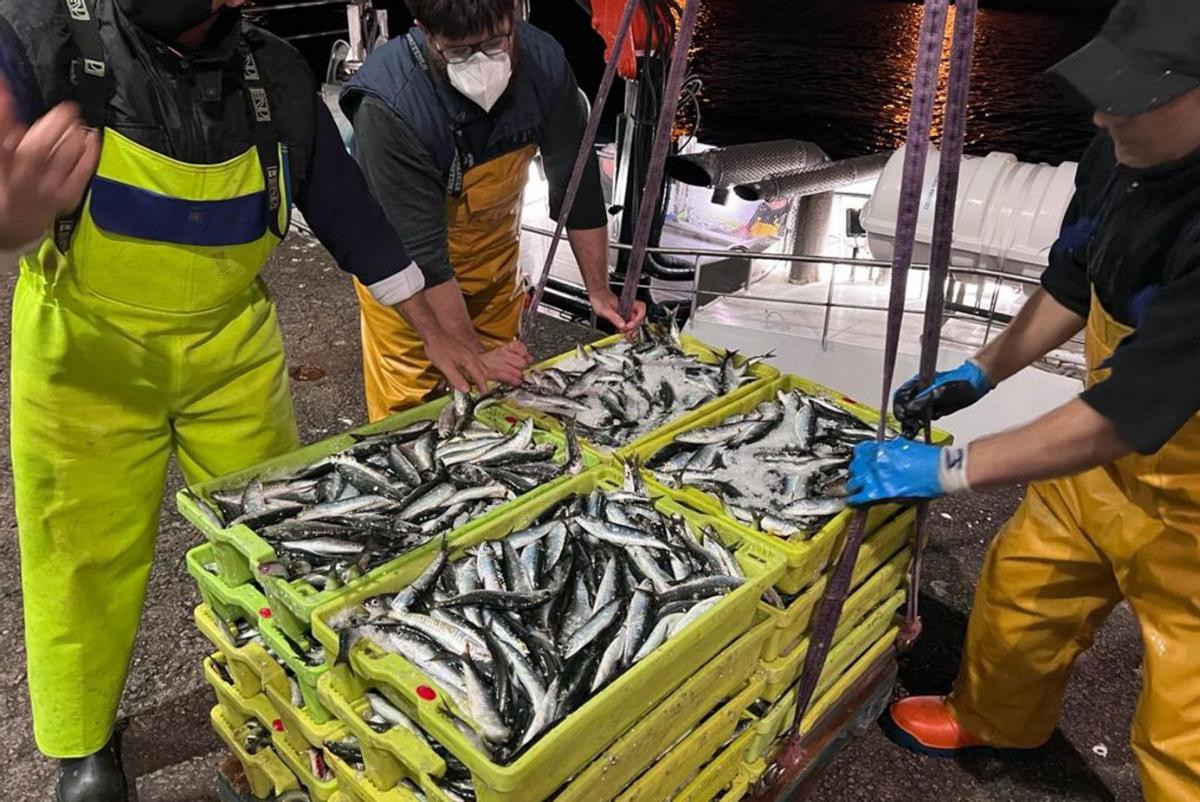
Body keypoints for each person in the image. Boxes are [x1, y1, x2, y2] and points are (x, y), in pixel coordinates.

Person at [0, 1, 520, 799]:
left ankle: (273, 709)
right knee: (79, 557)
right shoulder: (40, 32)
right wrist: (9, 219)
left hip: (231, 354)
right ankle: (80, 743)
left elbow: (355, 221)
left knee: (277, 547)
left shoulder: (273, 71)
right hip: (85, 358)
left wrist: (444, 333)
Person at [847, 2, 1200, 798]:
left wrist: (947, 468)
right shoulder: (1120, 148)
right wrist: (982, 370)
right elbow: (1075, 281)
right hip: (1104, 463)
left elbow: (1133, 410)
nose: (1107, 112)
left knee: (1189, 719)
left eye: (1137, 95)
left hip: (1191, 493)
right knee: (1024, 587)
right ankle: (995, 716)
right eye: (1105, 90)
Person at [339, 0, 648, 420]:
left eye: (494, 43)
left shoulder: (544, 64)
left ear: (514, 22)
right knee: (411, 412)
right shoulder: (390, 106)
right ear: (425, 32)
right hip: (412, 281)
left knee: (503, 398)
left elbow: (578, 186)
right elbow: (424, 257)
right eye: (460, 52)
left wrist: (599, 290)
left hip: (494, 265)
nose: (481, 62)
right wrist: (470, 354)